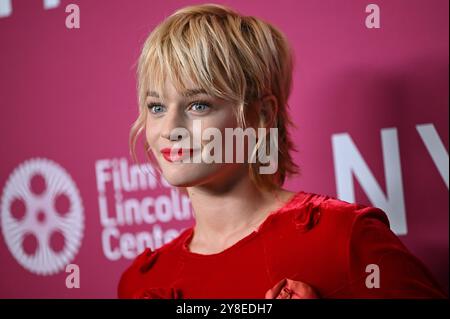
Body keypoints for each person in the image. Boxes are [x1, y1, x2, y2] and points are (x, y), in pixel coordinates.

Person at [118, 3, 446, 299]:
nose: (170, 127)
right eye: (157, 106)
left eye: (198, 105)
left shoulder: (344, 239)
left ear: (262, 115)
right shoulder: (139, 283)